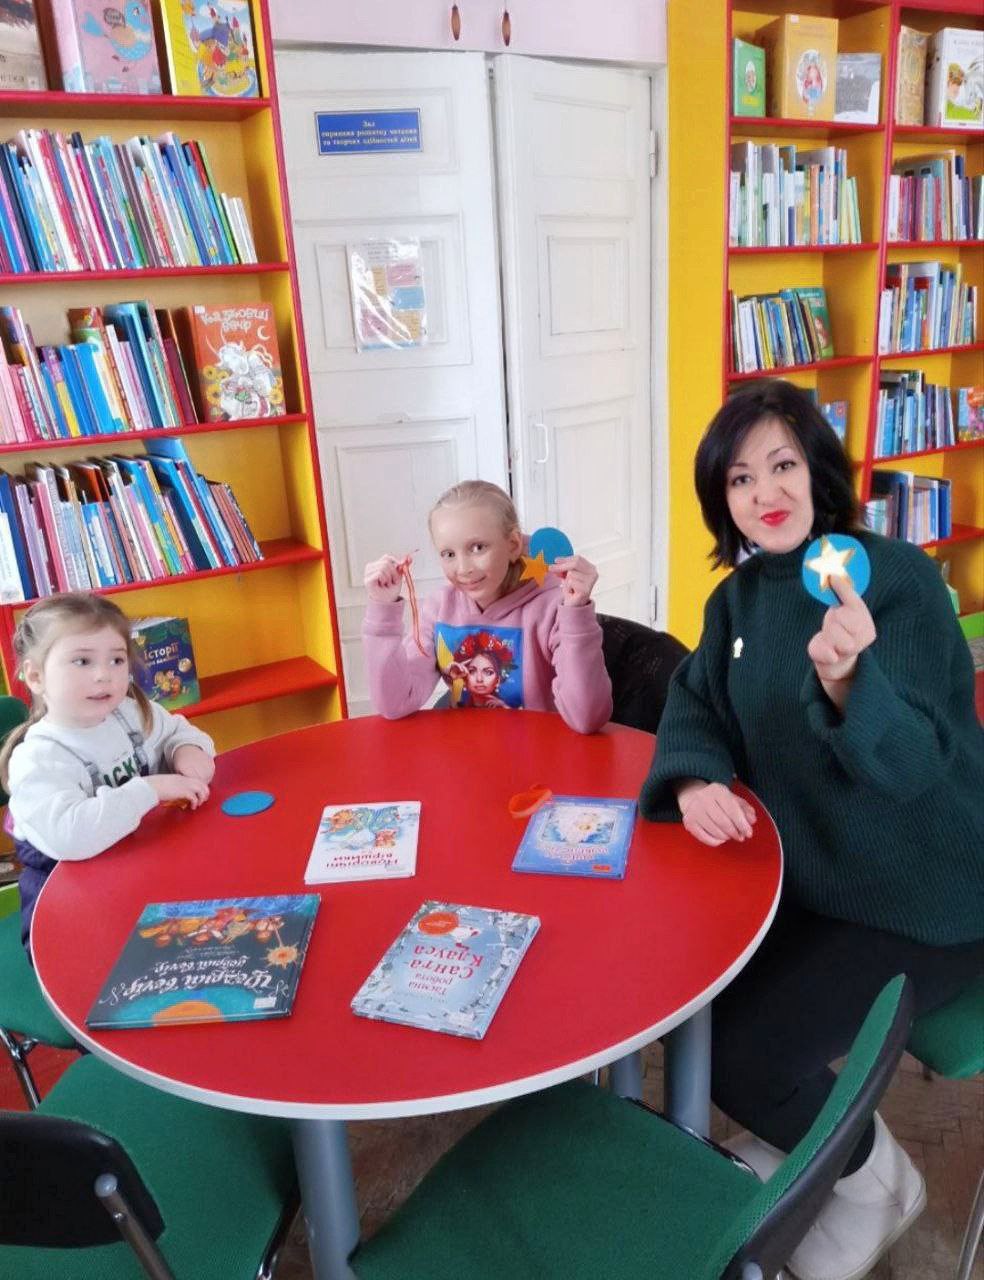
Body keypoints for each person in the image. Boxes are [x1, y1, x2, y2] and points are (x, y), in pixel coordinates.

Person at [639, 380, 984, 1280]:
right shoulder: (739, 601)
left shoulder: (897, 579)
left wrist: (847, 682)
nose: (766, 492)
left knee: (741, 1057)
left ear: (818, 471)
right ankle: (810, 1144)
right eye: (741, 478)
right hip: (814, 880)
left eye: (783, 464)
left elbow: (913, 764)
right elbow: (695, 701)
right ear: (723, 501)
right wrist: (694, 776)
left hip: (928, 893)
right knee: (682, 998)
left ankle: (876, 1181)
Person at [0, 593, 216, 955]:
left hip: (140, 872)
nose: (104, 675)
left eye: (116, 659)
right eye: (82, 661)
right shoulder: (37, 759)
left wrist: (188, 751)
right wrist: (150, 788)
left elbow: (179, 732)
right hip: (67, 909)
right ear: (36, 676)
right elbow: (72, 836)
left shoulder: (131, 712)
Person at [362, 480, 612, 733]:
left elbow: (587, 718)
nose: (463, 569)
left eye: (477, 548)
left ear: (513, 545)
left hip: (539, 751)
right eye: (449, 554)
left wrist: (576, 616)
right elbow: (395, 703)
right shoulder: (439, 608)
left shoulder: (551, 609)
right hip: (467, 750)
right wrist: (383, 610)